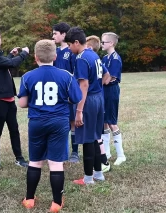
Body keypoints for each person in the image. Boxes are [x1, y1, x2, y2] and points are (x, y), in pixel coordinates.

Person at [19, 39, 82, 213]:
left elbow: (22, 103)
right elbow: (76, 98)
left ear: (35, 57)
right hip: (59, 122)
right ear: (55, 56)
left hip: (37, 122)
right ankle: (56, 203)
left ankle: (30, 199)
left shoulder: (27, 76)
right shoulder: (66, 76)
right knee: (55, 164)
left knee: (35, 161)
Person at [0, 26, 29, 169]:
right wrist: (24, 54)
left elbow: (4, 64)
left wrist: (10, 54)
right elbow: (10, 64)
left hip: (8, 97)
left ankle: (19, 158)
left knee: (14, 128)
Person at [65, 27, 105, 185]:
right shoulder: (93, 53)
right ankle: (98, 173)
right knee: (95, 137)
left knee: (88, 139)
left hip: (88, 101)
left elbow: (84, 85)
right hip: (98, 98)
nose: (69, 48)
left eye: (69, 44)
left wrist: (79, 111)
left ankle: (88, 178)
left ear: (76, 42)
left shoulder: (81, 58)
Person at [52, 22, 79, 163]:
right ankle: (60, 151)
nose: (53, 36)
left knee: (72, 121)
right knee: (60, 122)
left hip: (67, 93)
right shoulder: (54, 51)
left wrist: (71, 92)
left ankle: (75, 152)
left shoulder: (71, 52)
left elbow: (75, 73)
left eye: (55, 33)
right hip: (55, 94)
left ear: (63, 34)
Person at [86, 35, 111, 172]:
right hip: (99, 98)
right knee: (97, 133)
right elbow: (107, 75)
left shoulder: (89, 60)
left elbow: (107, 77)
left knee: (95, 134)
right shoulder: (98, 60)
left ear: (89, 47)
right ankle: (103, 161)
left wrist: (95, 86)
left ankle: (104, 161)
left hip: (92, 99)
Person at [101, 32, 126, 166]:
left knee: (111, 122)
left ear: (111, 43)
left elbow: (110, 78)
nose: (101, 44)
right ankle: (106, 152)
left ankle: (121, 154)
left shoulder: (115, 58)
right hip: (103, 92)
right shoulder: (105, 58)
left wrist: (103, 81)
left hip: (111, 91)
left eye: (103, 42)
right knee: (104, 122)